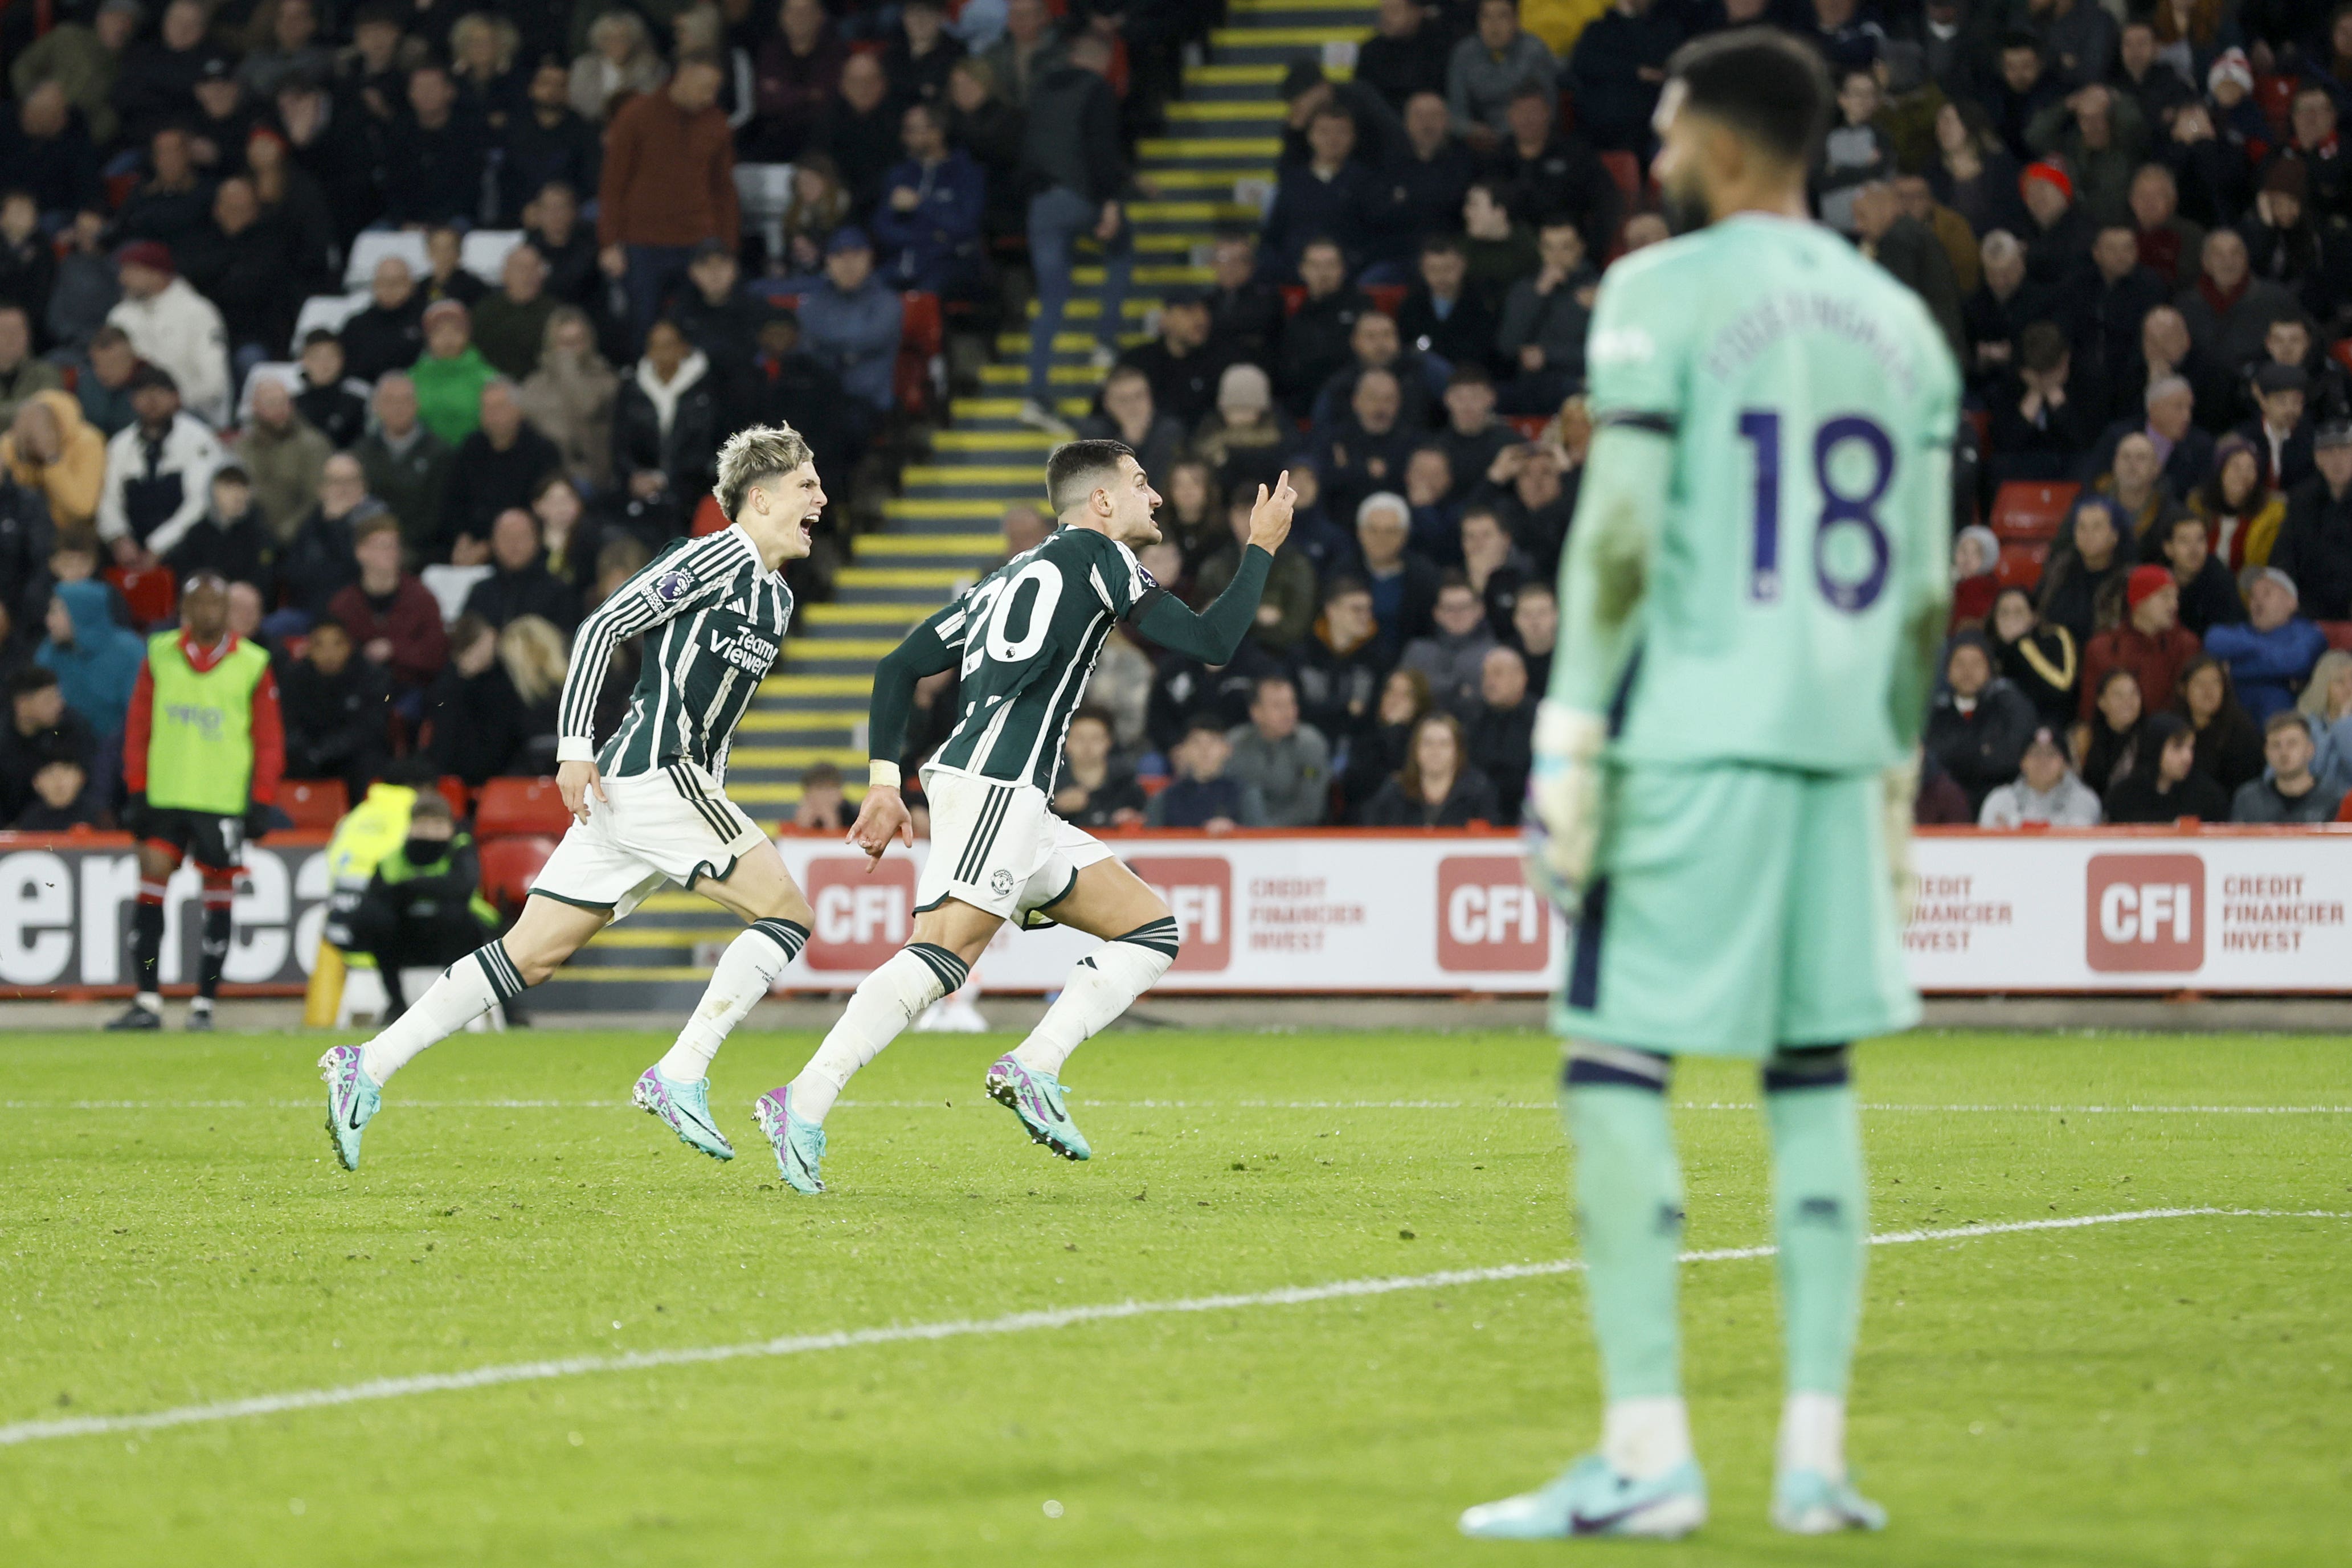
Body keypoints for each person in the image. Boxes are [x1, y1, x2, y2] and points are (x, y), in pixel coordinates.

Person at [1487, 35, 1959, 1543]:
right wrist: (1893, 766)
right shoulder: (1904, 325)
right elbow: (1926, 598)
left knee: (1616, 1069)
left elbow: (1619, 538)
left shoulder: (1660, 293)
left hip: (1692, 737)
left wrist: (1566, 735)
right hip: (1837, 750)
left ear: (1730, 145)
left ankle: (1647, 1457)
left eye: (1672, 125)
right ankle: (1813, 1464)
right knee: (1810, 1082)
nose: (1658, 146)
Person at [754, 444, 1296, 1194]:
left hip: (1015, 798)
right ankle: (801, 1101)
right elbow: (1212, 642)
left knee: (1151, 930)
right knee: (942, 956)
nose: (1157, 499)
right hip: (995, 784)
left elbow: (897, 666)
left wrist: (884, 782)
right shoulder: (1101, 557)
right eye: (1141, 484)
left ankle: (1035, 1065)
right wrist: (1261, 547)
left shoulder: (1006, 576)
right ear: (1101, 502)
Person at [320, 425, 826, 1173]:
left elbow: (711, 707)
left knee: (532, 954)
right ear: (760, 496)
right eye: (807, 485)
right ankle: (682, 1072)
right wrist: (573, 746)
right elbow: (604, 626)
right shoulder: (718, 555)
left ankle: (367, 1065)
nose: (821, 497)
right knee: (789, 912)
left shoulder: (776, 599)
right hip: (656, 773)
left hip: (656, 785)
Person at [109, 572, 283, 1032]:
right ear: (185, 610)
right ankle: (147, 999)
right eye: (198, 604)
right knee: (150, 886)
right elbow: (138, 727)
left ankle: (204, 1004)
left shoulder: (252, 662)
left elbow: (268, 740)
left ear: (228, 610)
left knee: (219, 900)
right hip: (165, 795)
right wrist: (137, 787)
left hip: (220, 799)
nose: (207, 612)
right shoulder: (160, 654)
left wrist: (261, 798)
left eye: (215, 604)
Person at [1017, 33, 1128, 435]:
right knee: (1120, 245)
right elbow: (1100, 147)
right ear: (1101, 59)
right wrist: (1111, 200)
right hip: (1080, 197)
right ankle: (1105, 341)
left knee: (1051, 300)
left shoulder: (1041, 88)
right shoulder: (1096, 88)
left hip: (1039, 205)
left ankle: (1035, 394)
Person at [596, 53, 737, 337]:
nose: (709, 97)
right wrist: (609, 242)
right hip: (643, 242)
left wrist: (728, 248)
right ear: (683, 75)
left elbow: (723, 189)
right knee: (643, 325)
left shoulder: (716, 122)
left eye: (715, 90)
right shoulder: (637, 114)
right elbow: (613, 182)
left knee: (699, 326)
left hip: (698, 240)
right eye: (705, 87)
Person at [344, 790, 500, 1019]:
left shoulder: (461, 850)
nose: (429, 833)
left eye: (437, 825)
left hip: (463, 941)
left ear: (450, 828)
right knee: (375, 919)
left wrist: (411, 888)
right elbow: (373, 902)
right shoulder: (392, 860)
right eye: (423, 825)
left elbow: (461, 887)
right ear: (410, 827)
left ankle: (459, 1004)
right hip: (407, 941)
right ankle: (396, 1003)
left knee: (454, 915)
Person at [96, 365, 223, 570]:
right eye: (144, 393)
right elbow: (108, 498)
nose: (152, 400)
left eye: (160, 393)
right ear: (133, 401)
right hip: (133, 541)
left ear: (175, 398)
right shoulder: (120, 444)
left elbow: (199, 503)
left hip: (184, 543)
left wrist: (158, 546)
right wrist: (119, 538)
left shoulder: (199, 438)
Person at [105, 241, 228, 429]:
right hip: (135, 416)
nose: (123, 279)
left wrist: (168, 402)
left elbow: (214, 384)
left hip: (194, 415)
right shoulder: (120, 315)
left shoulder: (198, 312)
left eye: (131, 271)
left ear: (156, 274)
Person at [328, 513, 449, 702]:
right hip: (356, 690)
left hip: (410, 691)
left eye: (394, 545)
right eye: (382, 546)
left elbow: (437, 652)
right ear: (361, 552)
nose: (391, 552)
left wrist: (394, 650)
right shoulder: (344, 604)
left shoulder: (421, 598)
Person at [442, 379, 564, 558]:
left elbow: (540, 510)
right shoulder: (471, 448)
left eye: (499, 407)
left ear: (518, 410)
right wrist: (461, 537)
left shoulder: (542, 452)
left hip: (522, 547)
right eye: (487, 408)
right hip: (469, 544)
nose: (492, 415)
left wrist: (491, 547)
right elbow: (453, 499)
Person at [279, 617, 388, 803]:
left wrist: (325, 752)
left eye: (337, 644)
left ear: (350, 646)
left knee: (368, 761)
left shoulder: (371, 677)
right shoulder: (293, 678)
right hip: (306, 755)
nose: (329, 653)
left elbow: (368, 728)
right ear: (309, 648)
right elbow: (287, 724)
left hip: (349, 757)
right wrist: (308, 752)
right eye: (319, 645)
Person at [2204, 567, 2326, 722]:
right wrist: (2281, 675)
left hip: (2282, 723)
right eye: (2253, 596)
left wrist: (2233, 669)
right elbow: (2213, 640)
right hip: (2234, 721)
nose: (2258, 601)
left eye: (2267, 593)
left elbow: (2295, 661)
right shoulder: (2242, 631)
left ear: (2292, 602)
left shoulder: (2308, 633)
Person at [2080, 564, 2200, 719]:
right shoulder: (2102, 649)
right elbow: (2089, 713)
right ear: (2140, 601)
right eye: (2165, 597)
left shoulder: (2187, 645)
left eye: (2175, 597)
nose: (2174, 605)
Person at [38, 578, 144, 740]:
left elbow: (140, 719)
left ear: (80, 613)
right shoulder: (50, 652)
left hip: (119, 753)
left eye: (57, 611)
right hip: (66, 750)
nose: (48, 620)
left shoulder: (129, 652)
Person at [2269, 420, 2352, 619]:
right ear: (2317, 459)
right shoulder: (2301, 500)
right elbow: (2283, 557)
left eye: (2344, 450)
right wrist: (2291, 599)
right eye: (2328, 452)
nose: (2337, 460)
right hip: (2308, 610)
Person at [1225, 674, 1330, 828]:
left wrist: (1265, 831)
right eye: (1278, 706)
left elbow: (1310, 807)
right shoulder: (1234, 743)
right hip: (1242, 835)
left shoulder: (1310, 744)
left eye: (1291, 704)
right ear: (1256, 712)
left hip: (1298, 837)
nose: (1288, 713)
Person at [1363, 709, 1498, 826]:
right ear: (1415, 749)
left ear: (1457, 750)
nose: (1435, 751)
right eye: (1428, 743)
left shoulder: (1478, 792)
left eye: (1444, 744)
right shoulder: (1394, 791)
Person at [3, 390, 104, 532]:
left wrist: (52, 460)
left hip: (72, 533)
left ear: (56, 428)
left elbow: (83, 508)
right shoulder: (12, 442)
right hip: (25, 531)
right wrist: (24, 457)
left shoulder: (88, 442)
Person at [2103, 709, 2230, 821]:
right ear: (2155, 749)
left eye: (2191, 748)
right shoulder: (2122, 798)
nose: (2187, 757)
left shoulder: (2209, 798)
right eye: (2177, 747)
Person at [1148, 717, 1265, 829]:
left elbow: (1262, 840)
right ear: (1184, 750)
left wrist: (1235, 831)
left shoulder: (1245, 794)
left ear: (1226, 749)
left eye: (1212, 742)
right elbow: (1149, 842)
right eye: (1196, 743)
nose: (1205, 750)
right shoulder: (1165, 799)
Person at [1978, 724, 2104, 825]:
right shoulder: (1999, 800)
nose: (2043, 761)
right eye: (2035, 753)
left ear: (2066, 764)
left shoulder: (2084, 800)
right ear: (2023, 763)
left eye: (2051, 754)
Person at [2177, 653, 2267, 792]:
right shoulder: (2173, 727)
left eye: (2215, 682)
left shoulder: (2242, 732)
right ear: (2183, 689)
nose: (2208, 691)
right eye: (2200, 683)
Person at [2232, 711, 2344, 821]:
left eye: (2292, 744)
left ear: (2310, 750)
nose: (2284, 752)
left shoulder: (2334, 800)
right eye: (2276, 745)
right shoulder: (2248, 800)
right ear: (2266, 752)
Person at [1467, 644, 1536, 821]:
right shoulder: (1472, 719)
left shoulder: (1541, 721)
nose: (1489, 682)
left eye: (1497, 673)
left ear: (1521, 678)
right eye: (1485, 675)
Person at [1050, 707, 1145, 828]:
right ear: (1066, 741)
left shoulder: (1125, 780)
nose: (1087, 746)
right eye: (1079, 738)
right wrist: (1055, 808)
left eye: (1096, 738)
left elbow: (1145, 817)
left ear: (1109, 742)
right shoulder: (1051, 781)